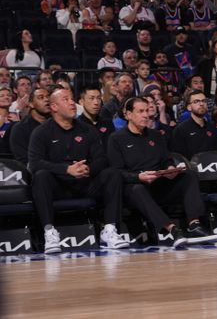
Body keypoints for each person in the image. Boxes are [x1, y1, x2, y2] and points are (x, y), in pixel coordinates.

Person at [107, 97, 217, 247]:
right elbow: (116, 172)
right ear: (128, 114)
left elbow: (167, 159)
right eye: (140, 111)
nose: (146, 115)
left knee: (189, 175)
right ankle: (172, 229)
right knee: (137, 189)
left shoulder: (156, 135)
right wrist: (138, 176)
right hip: (134, 187)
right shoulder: (116, 139)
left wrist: (171, 168)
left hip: (158, 183)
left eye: (147, 111)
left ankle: (194, 224)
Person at [28, 88, 128, 253]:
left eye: (72, 99)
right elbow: (35, 164)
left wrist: (87, 168)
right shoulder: (41, 132)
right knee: (41, 176)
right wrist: (66, 169)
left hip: (85, 182)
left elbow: (101, 159)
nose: (72, 104)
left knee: (112, 173)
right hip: (58, 186)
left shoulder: (88, 130)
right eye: (66, 100)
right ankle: (49, 232)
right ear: (54, 107)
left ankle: (110, 229)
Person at [171, 90, 217, 159]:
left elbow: (216, 154)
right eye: (196, 101)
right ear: (189, 107)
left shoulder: (212, 128)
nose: (201, 104)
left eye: (204, 101)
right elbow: (179, 158)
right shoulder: (180, 130)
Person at [9, 87, 51, 164]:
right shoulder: (20, 129)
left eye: (48, 97)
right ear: (31, 104)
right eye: (41, 97)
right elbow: (23, 160)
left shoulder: (57, 123)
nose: (47, 99)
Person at [77, 85, 116, 149]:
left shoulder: (108, 123)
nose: (96, 102)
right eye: (91, 98)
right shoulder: (77, 125)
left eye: (98, 98)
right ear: (81, 102)